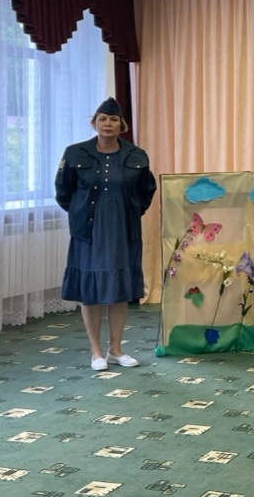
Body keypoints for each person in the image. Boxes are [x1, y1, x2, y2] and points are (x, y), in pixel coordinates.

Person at [55, 97, 157, 371]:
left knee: (120, 290)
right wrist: (79, 213)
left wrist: (128, 213)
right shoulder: (74, 153)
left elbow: (146, 191)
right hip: (88, 232)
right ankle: (96, 352)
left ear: (121, 125)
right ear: (95, 123)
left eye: (113, 119)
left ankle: (116, 349)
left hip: (123, 231)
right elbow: (63, 191)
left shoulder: (137, 155)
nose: (107, 124)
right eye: (102, 119)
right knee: (90, 291)